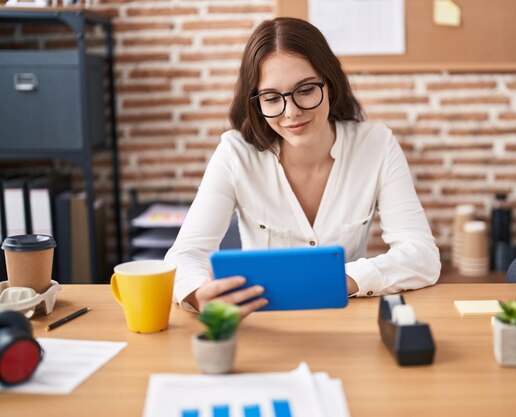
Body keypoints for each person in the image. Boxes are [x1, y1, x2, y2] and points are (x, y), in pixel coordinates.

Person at [164, 17, 440, 316]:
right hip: (265, 323)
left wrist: (337, 281)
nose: (291, 112)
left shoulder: (377, 145)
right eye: (271, 98)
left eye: (306, 90)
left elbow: (422, 255)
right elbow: (184, 254)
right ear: (256, 102)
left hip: (346, 321)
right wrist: (199, 294)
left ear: (330, 86)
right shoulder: (234, 154)